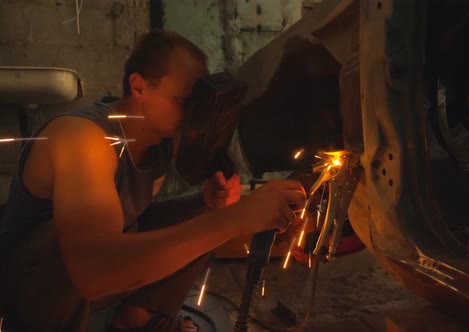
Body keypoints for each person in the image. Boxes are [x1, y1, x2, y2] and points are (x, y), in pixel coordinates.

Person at [0, 29, 306, 332]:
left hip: (88, 282)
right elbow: (93, 271)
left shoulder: (159, 141)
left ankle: (137, 319)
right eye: (184, 101)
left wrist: (209, 203)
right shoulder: (85, 139)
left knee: (208, 211)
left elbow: (137, 220)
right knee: (73, 237)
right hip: (28, 295)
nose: (193, 114)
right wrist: (236, 220)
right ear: (139, 86)